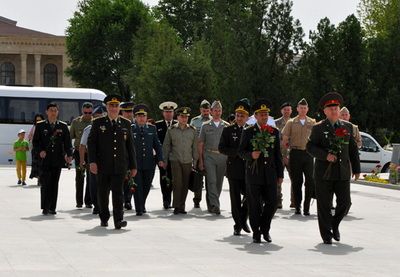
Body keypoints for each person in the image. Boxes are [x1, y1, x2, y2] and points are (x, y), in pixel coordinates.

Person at [306, 92, 360, 244]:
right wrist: (325, 155)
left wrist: (356, 169)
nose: (334, 111)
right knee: (323, 205)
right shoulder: (318, 128)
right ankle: (326, 235)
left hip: (342, 172)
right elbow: (310, 147)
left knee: (345, 202)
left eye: (336, 108)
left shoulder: (348, 127)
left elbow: (353, 150)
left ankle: (335, 224)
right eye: (330, 109)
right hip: (323, 173)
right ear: (325, 111)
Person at [238, 98, 284, 243]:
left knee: (272, 202)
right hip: (254, 173)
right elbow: (241, 151)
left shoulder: (274, 132)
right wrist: (250, 155)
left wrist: (280, 174)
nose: (264, 117)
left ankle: (265, 228)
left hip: (270, 173)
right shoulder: (249, 131)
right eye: (261, 114)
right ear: (255, 116)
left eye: (266, 114)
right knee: (254, 205)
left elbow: (278, 155)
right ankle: (256, 232)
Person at [88, 94, 137, 229]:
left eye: (116, 106)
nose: (114, 108)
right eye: (111, 106)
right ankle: (104, 217)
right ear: (107, 107)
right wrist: (92, 162)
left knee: (118, 193)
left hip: (120, 165)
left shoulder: (126, 123)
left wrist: (133, 166)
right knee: (103, 193)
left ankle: (118, 220)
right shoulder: (98, 123)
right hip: (103, 165)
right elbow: (91, 143)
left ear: (119, 108)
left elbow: (130, 147)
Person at [33, 102, 73, 215]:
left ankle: (52, 207)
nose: (53, 113)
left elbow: (67, 143)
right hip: (44, 159)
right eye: (51, 110)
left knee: (54, 183)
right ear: (46, 112)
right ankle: (45, 207)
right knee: (45, 183)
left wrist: (69, 154)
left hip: (57, 159)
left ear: (58, 112)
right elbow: (35, 142)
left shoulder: (63, 126)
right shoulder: (40, 125)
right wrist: (40, 151)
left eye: (55, 110)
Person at [218, 100, 251, 236]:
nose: (239, 118)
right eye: (237, 115)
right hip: (234, 168)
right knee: (235, 198)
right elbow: (222, 148)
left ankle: (244, 218)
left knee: (251, 196)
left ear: (248, 117)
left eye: (242, 116)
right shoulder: (228, 130)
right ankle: (237, 224)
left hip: (249, 169)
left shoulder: (252, 130)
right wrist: (237, 153)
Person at [281, 98, 316, 216]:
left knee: (310, 181)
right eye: (301, 108)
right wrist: (284, 154)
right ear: (297, 109)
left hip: (308, 154)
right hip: (295, 153)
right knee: (297, 181)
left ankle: (307, 207)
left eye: (305, 108)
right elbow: (285, 140)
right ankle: (297, 206)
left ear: (307, 109)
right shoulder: (291, 122)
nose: (303, 109)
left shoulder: (312, 122)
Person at [163, 107, 198, 215]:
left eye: (186, 117)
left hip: (187, 160)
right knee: (177, 182)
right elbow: (166, 146)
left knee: (185, 184)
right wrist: (165, 160)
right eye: (182, 116)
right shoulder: (171, 130)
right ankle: (176, 206)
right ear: (177, 117)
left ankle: (182, 206)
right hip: (175, 159)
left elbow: (195, 147)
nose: (184, 119)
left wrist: (195, 160)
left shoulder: (192, 130)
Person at [131, 104, 164, 216]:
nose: (141, 118)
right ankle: (139, 208)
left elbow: (157, 145)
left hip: (149, 163)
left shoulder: (152, 128)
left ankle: (142, 203)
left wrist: (160, 159)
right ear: (135, 117)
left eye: (143, 116)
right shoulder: (131, 129)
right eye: (139, 116)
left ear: (146, 117)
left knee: (146, 185)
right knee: (137, 186)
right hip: (136, 163)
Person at [198, 100, 228, 215]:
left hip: (222, 156)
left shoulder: (225, 126)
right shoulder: (205, 126)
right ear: (211, 111)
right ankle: (215, 204)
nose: (217, 113)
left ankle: (212, 202)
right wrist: (200, 160)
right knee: (211, 180)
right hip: (209, 155)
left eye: (219, 111)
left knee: (219, 182)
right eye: (215, 110)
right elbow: (200, 144)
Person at [79, 105, 106, 215]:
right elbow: (82, 145)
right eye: (96, 117)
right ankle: (96, 204)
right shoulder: (89, 129)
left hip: (106, 161)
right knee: (94, 184)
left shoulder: (109, 128)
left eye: (100, 117)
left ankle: (104, 204)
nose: (98, 119)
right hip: (93, 160)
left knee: (105, 184)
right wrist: (81, 161)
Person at [70, 102, 94, 209]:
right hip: (79, 152)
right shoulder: (76, 122)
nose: (88, 115)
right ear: (82, 111)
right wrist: (68, 152)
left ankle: (88, 201)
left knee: (91, 177)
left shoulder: (96, 122)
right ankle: (79, 201)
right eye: (85, 113)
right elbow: (70, 137)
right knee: (79, 177)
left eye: (89, 113)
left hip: (92, 153)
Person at [190, 99, 212, 208]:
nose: (206, 113)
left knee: (210, 178)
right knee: (198, 178)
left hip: (209, 153)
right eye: (204, 110)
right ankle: (197, 199)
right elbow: (191, 137)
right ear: (200, 110)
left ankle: (210, 201)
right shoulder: (195, 121)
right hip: (198, 153)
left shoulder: (214, 121)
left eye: (208, 111)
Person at [155, 101, 178, 209]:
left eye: (170, 112)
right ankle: (166, 199)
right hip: (162, 157)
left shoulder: (177, 125)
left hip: (175, 157)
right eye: (166, 112)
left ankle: (173, 199)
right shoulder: (157, 125)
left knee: (174, 178)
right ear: (163, 113)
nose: (168, 114)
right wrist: (161, 158)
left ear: (173, 113)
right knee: (164, 178)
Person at [275, 102, 294, 209]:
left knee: (294, 178)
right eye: (284, 109)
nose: (286, 111)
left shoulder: (294, 122)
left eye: (288, 109)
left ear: (291, 111)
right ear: (281, 111)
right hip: (279, 155)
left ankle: (294, 200)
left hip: (293, 155)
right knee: (278, 178)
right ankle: (278, 200)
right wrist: (282, 155)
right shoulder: (276, 123)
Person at [119, 101, 136, 210]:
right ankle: (125, 199)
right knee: (123, 180)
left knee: (131, 180)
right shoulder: (120, 124)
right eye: (127, 112)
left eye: (131, 112)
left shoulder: (135, 124)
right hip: (122, 157)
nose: (130, 114)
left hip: (133, 157)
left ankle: (128, 199)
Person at [28, 113, 45, 185]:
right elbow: (29, 136)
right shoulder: (34, 127)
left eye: (40, 120)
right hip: (35, 148)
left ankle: (41, 179)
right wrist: (35, 139)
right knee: (36, 164)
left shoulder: (44, 126)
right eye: (37, 120)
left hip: (43, 148)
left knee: (42, 164)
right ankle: (39, 179)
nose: (38, 121)